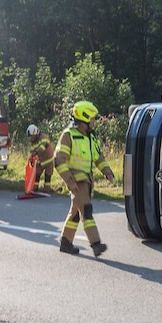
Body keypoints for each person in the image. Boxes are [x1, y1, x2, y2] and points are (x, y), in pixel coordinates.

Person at [54, 101, 114, 256]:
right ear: (84, 118)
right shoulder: (69, 135)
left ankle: (66, 243)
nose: (94, 121)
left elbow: (99, 157)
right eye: (93, 119)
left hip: (87, 181)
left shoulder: (91, 137)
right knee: (86, 210)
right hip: (76, 181)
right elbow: (59, 160)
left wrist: (107, 171)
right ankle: (96, 244)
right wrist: (70, 181)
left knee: (75, 212)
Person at [26, 124, 54, 193]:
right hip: (40, 161)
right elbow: (32, 151)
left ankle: (47, 189)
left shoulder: (43, 137)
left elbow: (44, 145)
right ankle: (34, 188)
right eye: (30, 137)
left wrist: (37, 151)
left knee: (48, 175)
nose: (31, 138)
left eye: (32, 136)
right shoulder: (33, 142)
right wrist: (31, 158)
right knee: (37, 174)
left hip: (48, 160)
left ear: (35, 133)